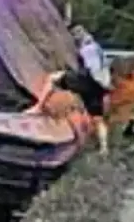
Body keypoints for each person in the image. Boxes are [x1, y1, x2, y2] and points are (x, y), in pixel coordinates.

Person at [42, 23, 113, 153]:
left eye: (75, 35)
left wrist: (78, 75)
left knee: (53, 78)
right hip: (100, 86)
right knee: (97, 118)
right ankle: (104, 148)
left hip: (89, 81)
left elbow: (91, 68)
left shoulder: (86, 49)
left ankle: (38, 107)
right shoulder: (96, 46)